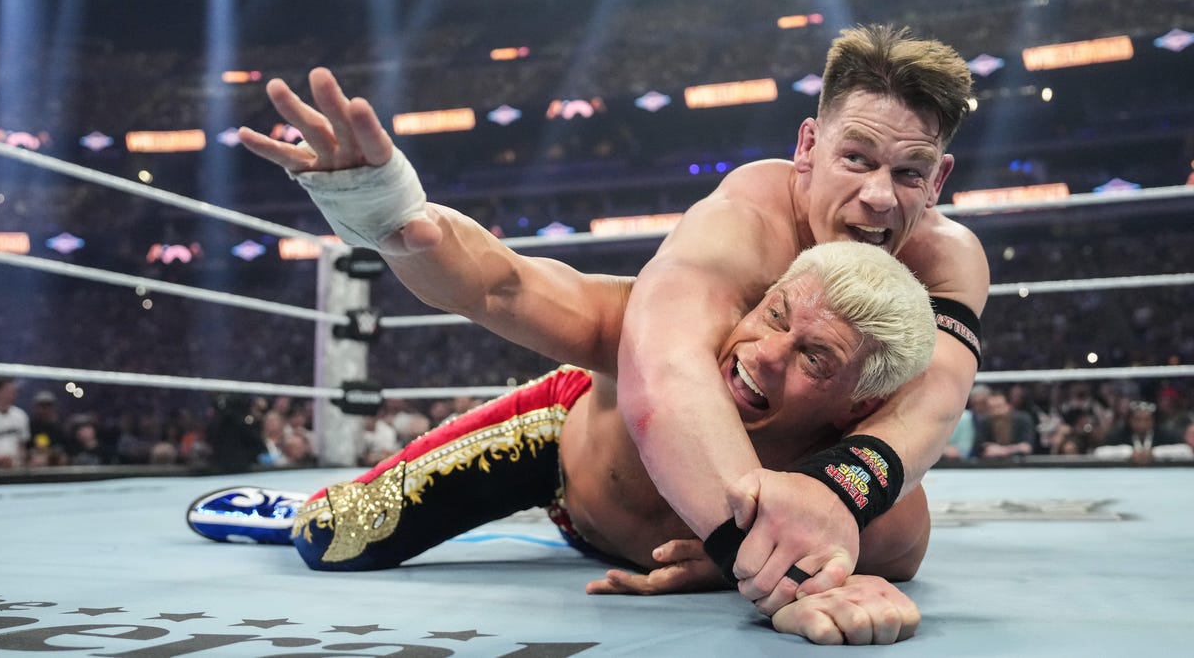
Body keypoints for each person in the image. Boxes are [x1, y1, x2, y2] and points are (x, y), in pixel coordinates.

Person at [190, 66, 942, 643]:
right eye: (773, 314)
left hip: (648, 539)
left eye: (814, 357)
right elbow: (505, 285)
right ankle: (299, 501)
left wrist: (815, 578)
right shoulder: (665, 319)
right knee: (335, 537)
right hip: (559, 451)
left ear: (862, 403)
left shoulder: (884, 510)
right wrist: (394, 217)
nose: (763, 354)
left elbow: (871, 563)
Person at [613, 25, 988, 609]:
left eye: (910, 172)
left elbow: (932, 403)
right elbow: (664, 368)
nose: (880, 197)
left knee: (902, 529)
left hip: (756, 483)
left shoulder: (946, 259)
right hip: (590, 451)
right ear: (809, 146)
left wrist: (806, 522)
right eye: (857, 158)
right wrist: (779, 567)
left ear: (939, 179)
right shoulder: (744, 218)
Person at [0, 378, 30, 469]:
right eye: (8, 391)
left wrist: (22, 461)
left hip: (14, 470)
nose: (12, 395)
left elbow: (22, 446)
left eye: (14, 392)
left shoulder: (20, 415)